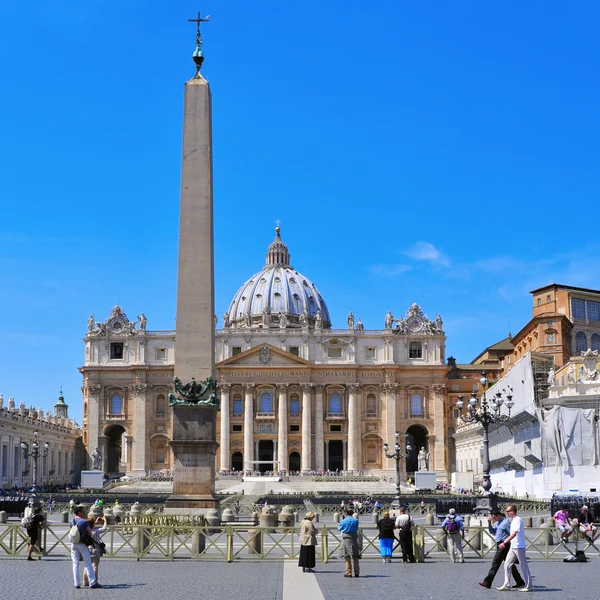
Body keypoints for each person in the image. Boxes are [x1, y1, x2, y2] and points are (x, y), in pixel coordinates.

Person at [479, 510, 525, 589]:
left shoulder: (506, 523)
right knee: (510, 565)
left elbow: (512, 533)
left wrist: (506, 542)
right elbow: (492, 531)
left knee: (495, 563)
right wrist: (489, 523)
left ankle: (487, 582)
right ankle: (520, 581)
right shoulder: (498, 523)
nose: (494, 519)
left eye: (494, 517)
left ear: (498, 515)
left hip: (504, 545)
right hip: (499, 545)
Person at [497, 505, 532, 592]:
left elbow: (514, 534)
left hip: (519, 547)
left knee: (523, 566)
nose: (507, 513)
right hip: (513, 547)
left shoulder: (517, 520)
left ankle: (529, 586)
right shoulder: (513, 520)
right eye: (507, 511)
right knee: (507, 564)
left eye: (508, 511)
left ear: (513, 511)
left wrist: (504, 542)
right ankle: (507, 585)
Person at [70, 506, 100, 589]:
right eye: (83, 512)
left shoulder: (71, 521)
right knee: (88, 563)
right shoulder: (84, 522)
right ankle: (93, 582)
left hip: (73, 544)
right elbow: (90, 533)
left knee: (75, 564)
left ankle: (77, 583)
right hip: (82, 544)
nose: (84, 513)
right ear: (79, 513)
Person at [83, 516, 108, 587]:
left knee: (87, 566)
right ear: (93, 524)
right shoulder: (96, 531)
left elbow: (90, 526)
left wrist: (94, 522)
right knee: (95, 566)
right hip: (95, 550)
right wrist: (105, 521)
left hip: (87, 550)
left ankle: (85, 581)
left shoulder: (86, 531)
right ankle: (94, 582)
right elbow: (104, 528)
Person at [338, 508, 360, 577]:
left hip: (346, 539)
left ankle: (348, 572)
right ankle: (357, 572)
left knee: (347, 556)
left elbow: (339, 528)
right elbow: (356, 528)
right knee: (355, 556)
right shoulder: (356, 521)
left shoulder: (344, 521)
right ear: (353, 513)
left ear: (346, 513)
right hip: (354, 539)